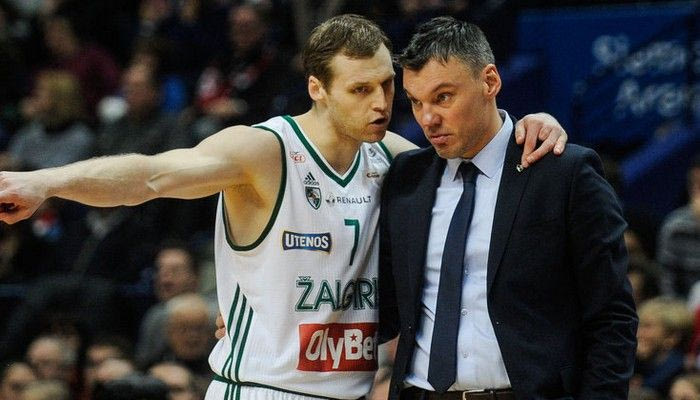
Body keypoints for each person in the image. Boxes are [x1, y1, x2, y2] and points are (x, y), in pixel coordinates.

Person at [0, 14, 567, 400]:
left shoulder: (394, 156)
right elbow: (149, 176)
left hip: (349, 391)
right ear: (317, 88)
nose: (380, 103)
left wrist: (529, 126)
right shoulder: (263, 152)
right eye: (359, 90)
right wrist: (45, 181)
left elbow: (482, 164)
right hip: (262, 390)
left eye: (386, 85)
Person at [378, 17, 637, 400]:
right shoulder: (405, 176)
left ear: (490, 82)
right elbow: (385, 308)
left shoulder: (564, 173)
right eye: (416, 102)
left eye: (443, 97)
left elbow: (612, 316)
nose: (428, 119)